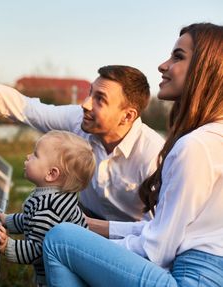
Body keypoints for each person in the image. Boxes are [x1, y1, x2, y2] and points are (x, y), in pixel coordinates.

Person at [42, 22, 223, 286]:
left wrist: (88, 248)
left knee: (60, 240)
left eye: (178, 57)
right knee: (72, 234)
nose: (163, 65)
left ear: (206, 70)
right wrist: (87, 226)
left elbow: (157, 250)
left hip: (191, 279)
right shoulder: (213, 138)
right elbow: (162, 229)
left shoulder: (195, 146)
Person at [0, 34, 165, 222]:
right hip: (84, 222)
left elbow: (159, 232)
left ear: (127, 115)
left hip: (132, 243)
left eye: (100, 99)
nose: (86, 104)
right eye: (90, 93)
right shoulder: (78, 120)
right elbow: (21, 106)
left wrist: (88, 227)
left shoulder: (154, 155)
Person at [0, 130, 96, 286]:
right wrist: (7, 220)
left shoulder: (50, 209)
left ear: (51, 174)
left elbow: (38, 250)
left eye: (35, 155)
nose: (28, 156)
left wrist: (8, 246)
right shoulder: (51, 198)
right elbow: (31, 220)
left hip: (60, 278)